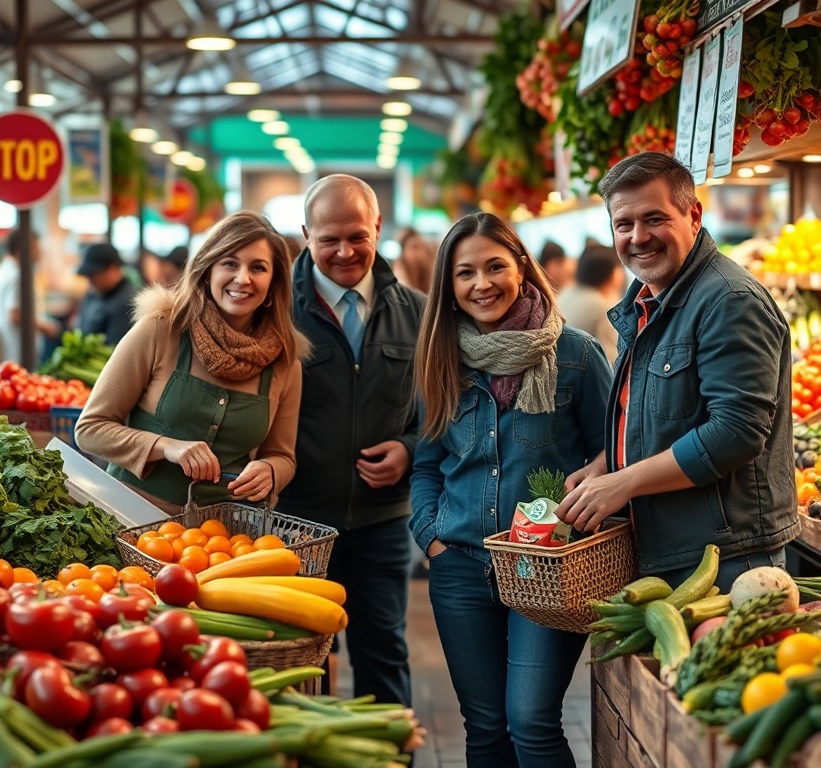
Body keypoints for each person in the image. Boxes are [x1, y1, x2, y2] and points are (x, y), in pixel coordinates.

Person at [409, 211, 611, 768]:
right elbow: (426, 463)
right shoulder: (440, 360)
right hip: (459, 567)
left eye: (495, 266)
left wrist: (591, 482)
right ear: (448, 285)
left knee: (531, 721)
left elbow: (615, 451)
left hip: (545, 568)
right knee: (486, 729)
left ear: (521, 267)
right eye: (465, 273)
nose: (482, 284)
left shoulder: (574, 355)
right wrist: (431, 537)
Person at [556, 152, 799, 593]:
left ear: (693, 215)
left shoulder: (729, 301)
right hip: (671, 547)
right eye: (623, 225)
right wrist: (606, 465)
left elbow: (736, 432)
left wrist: (624, 483)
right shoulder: (650, 301)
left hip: (727, 559)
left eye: (654, 219)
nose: (638, 237)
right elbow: (660, 416)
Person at [278, 174, 425, 708]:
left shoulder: (419, 312)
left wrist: (410, 447)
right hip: (295, 520)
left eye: (358, 236)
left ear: (378, 228)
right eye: (329, 239)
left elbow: (445, 409)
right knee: (300, 659)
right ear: (305, 237)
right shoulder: (273, 312)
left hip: (382, 521)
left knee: (383, 650)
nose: (345, 251)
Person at [75, 211, 304, 514]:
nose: (243, 278)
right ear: (207, 270)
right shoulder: (160, 330)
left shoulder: (285, 364)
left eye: (258, 268)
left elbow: (283, 456)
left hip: (222, 537)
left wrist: (271, 471)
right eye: (230, 263)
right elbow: (90, 429)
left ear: (273, 285)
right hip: (129, 520)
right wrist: (166, 446)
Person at [0, 229, 61, 366]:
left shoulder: (0, 272)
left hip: (6, 352)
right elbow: (14, 315)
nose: (39, 253)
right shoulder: (17, 275)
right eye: (36, 248)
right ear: (23, 248)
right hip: (19, 353)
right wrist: (45, 327)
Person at [556, 241, 626, 364]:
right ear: (612, 274)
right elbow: (614, 360)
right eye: (619, 267)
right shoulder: (602, 308)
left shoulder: (566, 293)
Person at [75, 242, 137, 346]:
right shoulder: (95, 294)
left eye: (93, 275)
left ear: (112, 269)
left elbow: (116, 348)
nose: (90, 282)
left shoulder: (128, 303)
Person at [392, 227, 434, 294]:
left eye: (422, 247)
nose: (420, 253)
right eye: (415, 247)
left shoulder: (432, 280)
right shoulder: (394, 286)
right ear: (403, 252)